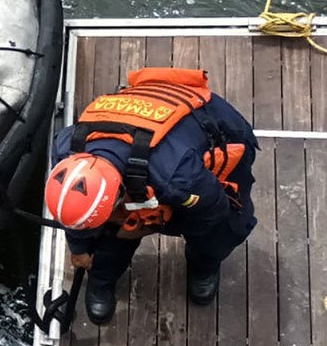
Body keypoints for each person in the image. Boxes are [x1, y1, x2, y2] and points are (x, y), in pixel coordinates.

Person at [43, 66, 258, 325]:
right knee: (110, 232)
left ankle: (204, 266)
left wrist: (144, 226)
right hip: (145, 140)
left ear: (117, 196)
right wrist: (78, 247)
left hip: (210, 134)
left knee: (220, 231)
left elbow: (212, 210)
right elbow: (76, 210)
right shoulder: (66, 150)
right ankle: (103, 277)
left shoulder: (179, 178)